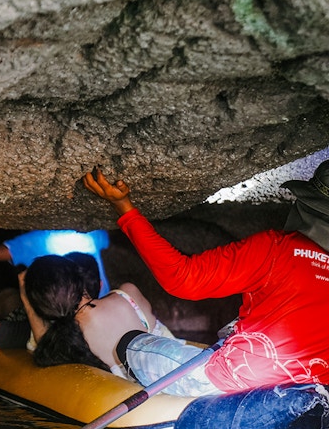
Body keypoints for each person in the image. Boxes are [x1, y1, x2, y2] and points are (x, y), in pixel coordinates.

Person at [82, 161, 329, 396]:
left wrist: (124, 208)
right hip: (313, 384)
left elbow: (182, 277)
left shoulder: (275, 248)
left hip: (237, 379)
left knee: (130, 344)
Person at [21, 254, 190, 379]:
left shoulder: (69, 338)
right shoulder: (128, 292)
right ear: (79, 278)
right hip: (186, 369)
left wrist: (25, 297)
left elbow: (40, 345)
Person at [0, 252, 104, 351]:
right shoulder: (114, 309)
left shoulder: (55, 334)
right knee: (8, 297)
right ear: (101, 285)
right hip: (52, 322)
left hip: (47, 328)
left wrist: (26, 296)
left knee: (7, 299)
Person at [0, 228, 111, 295]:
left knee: (7, 296)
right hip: (101, 302)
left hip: (57, 314)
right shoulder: (91, 234)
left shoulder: (37, 240)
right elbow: (106, 240)